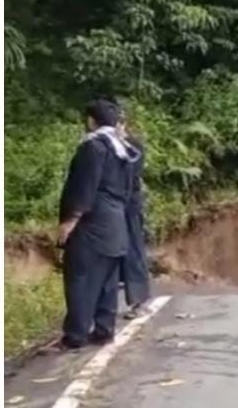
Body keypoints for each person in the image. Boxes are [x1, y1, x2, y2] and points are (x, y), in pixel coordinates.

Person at [56, 99, 140, 349]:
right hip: (116, 224)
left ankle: (75, 335)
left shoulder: (93, 147)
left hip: (93, 225)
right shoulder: (123, 150)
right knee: (106, 280)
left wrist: (69, 221)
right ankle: (104, 330)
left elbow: (84, 187)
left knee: (80, 277)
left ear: (91, 121)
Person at [117, 112, 151, 319]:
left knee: (133, 251)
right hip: (108, 208)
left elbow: (131, 173)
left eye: (118, 123)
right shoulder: (100, 146)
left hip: (128, 205)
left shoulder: (133, 146)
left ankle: (138, 302)